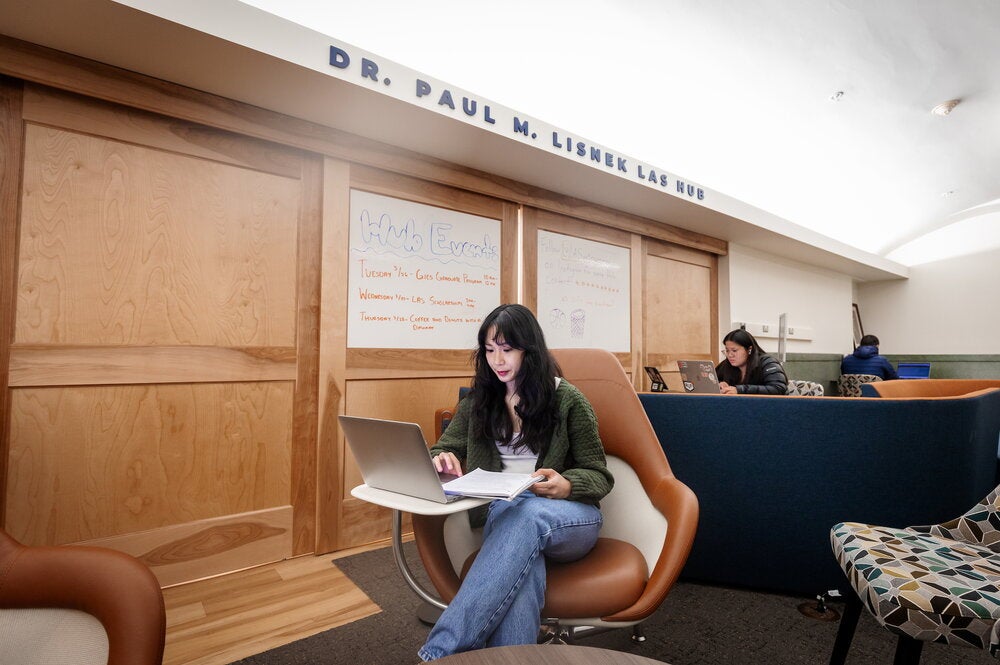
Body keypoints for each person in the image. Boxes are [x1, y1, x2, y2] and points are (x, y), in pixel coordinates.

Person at [418, 304, 614, 661]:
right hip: (505, 518)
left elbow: (599, 475)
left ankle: (441, 652)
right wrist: (441, 457)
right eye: (490, 350)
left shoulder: (568, 400)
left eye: (507, 349)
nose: (498, 360)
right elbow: (445, 445)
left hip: (569, 519)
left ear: (529, 349)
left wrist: (567, 484)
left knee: (523, 511)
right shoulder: (479, 401)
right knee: (521, 574)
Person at [715, 328, 788, 395]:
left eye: (734, 350)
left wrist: (740, 390)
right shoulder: (726, 364)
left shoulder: (767, 362)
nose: (730, 355)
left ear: (749, 350)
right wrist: (719, 385)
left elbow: (778, 388)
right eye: (727, 350)